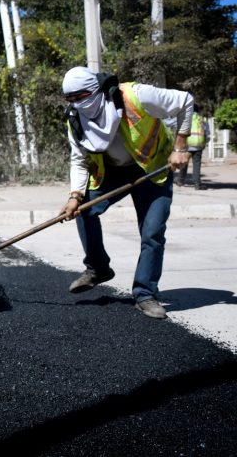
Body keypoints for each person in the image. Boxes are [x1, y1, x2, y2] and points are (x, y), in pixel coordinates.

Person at [60, 66, 194, 320]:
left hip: (153, 167)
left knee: (152, 232)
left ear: (98, 89)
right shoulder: (76, 118)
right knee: (84, 211)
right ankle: (98, 268)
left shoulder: (136, 96)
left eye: (82, 97)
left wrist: (180, 146)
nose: (78, 104)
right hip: (112, 172)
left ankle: (145, 294)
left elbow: (185, 100)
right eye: (71, 100)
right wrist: (74, 196)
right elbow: (79, 160)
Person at [175, 104, 210, 190]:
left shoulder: (186, 118)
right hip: (198, 145)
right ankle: (197, 184)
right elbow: (207, 134)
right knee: (197, 164)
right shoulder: (203, 119)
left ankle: (180, 180)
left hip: (186, 145)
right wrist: (204, 143)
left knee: (184, 162)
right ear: (198, 110)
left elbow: (179, 131)